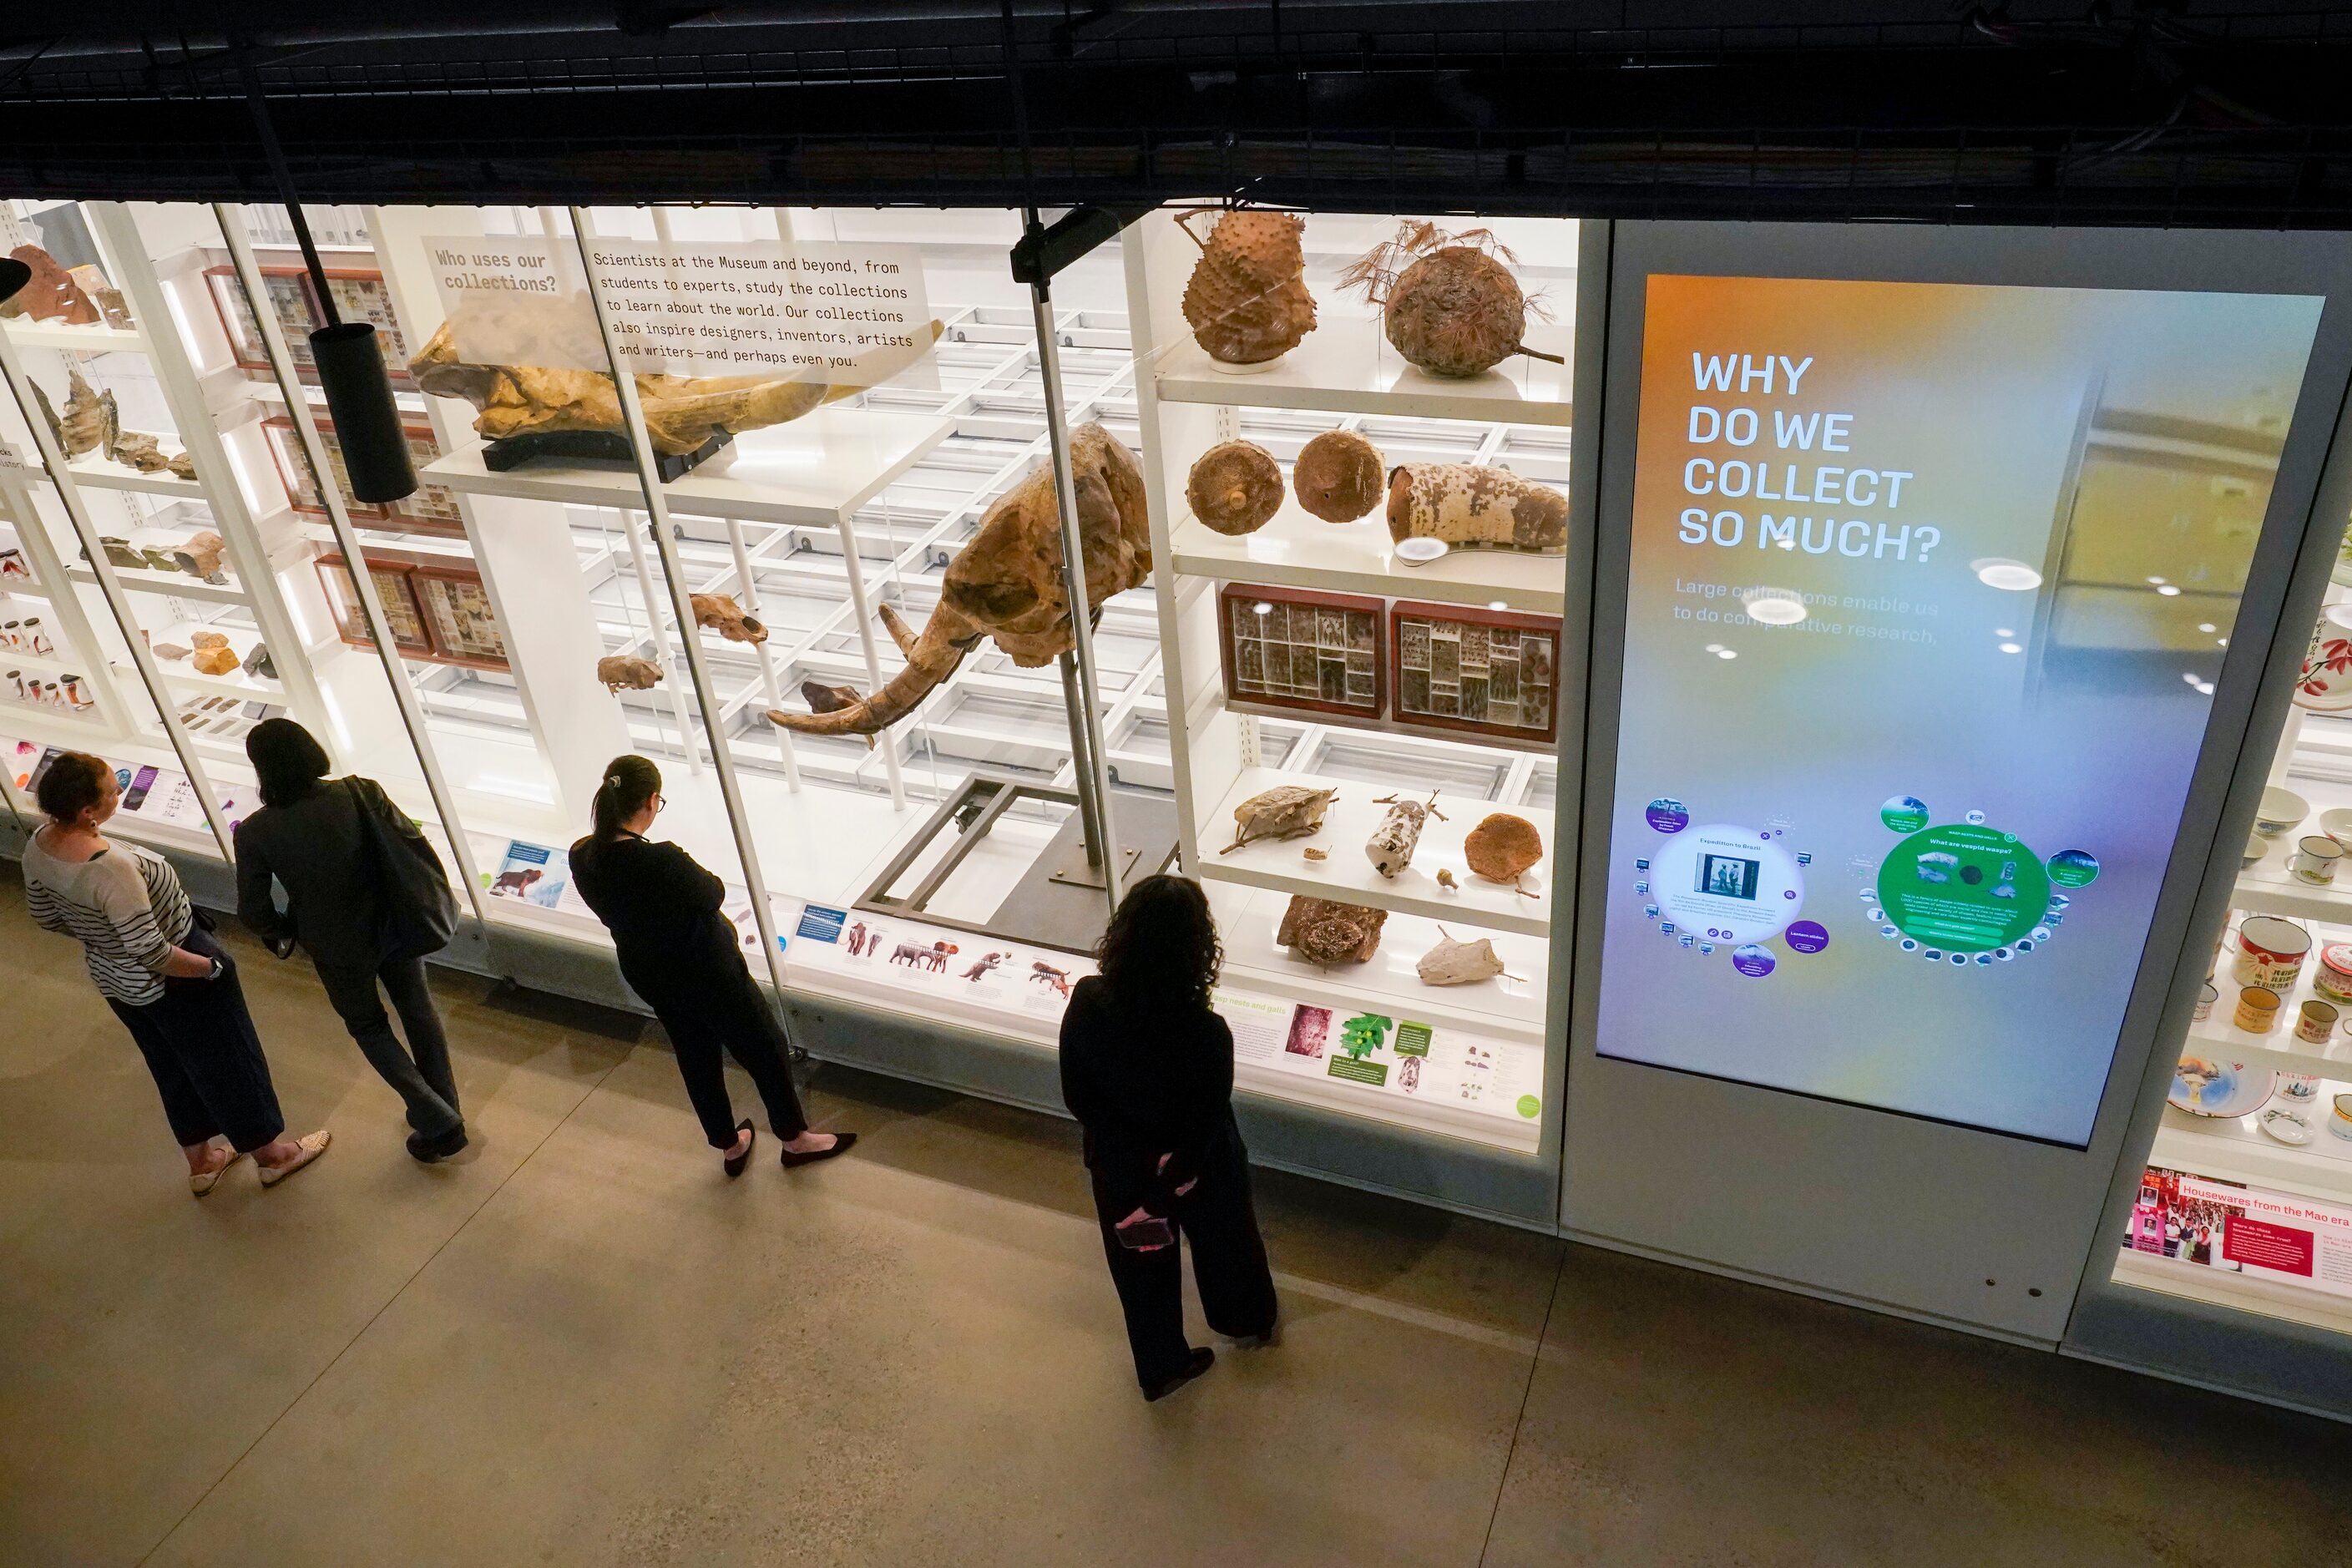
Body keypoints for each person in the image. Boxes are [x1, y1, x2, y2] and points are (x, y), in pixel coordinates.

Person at [21, 751, 329, 1194]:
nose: (120, 793)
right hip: (176, 973)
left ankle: (203, 1163)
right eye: (113, 790)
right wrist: (209, 969)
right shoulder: (109, 868)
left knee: (171, 1064)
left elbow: (45, 917)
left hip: (117, 981)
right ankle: (273, 1156)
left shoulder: (38, 844)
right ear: (87, 810)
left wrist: (105, 943)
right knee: (229, 1061)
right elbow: (151, 951)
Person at [568, 756, 852, 1176]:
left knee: (695, 1055)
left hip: (648, 973)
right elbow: (712, 892)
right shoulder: (661, 859)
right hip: (706, 972)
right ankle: (795, 1139)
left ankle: (728, 1144)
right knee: (764, 1047)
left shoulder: (582, 855)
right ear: (651, 800)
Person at [1060, 874, 1277, 1401]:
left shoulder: (1089, 999)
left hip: (1121, 1167)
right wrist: (1175, 1173)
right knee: (1227, 1243)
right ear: (1198, 948)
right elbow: (1204, 1121)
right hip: (1194, 1169)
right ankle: (1244, 1319)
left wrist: (1133, 1162)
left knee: (1142, 1268)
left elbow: (1077, 1095)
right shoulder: (1207, 1034)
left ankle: (1161, 1366)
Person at [234, 718, 466, 1162]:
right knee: (417, 1009)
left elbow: (253, 911)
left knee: (368, 1027)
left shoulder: (256, 831)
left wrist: (285, 928)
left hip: (334, 945)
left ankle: (437, 1118)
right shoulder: (361, 791)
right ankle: (443, 1105)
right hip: (394, 923)